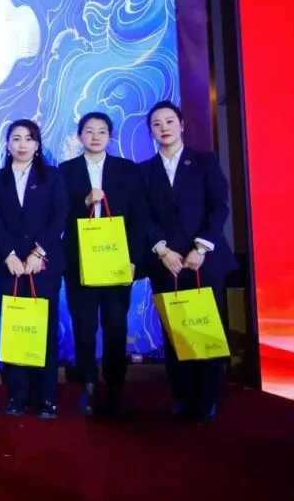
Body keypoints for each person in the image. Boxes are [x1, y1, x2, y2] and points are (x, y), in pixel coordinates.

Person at [140, 101, 236, 421]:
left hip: (203, 260)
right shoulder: (144, 171)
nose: (164, 128)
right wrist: (162, 250)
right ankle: (182, 397)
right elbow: (143, 216)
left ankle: (208, 399)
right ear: (151, 131)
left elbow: (219, 206)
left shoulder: (205, 161)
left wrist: (201, 247)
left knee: (204, 328)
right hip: (166, 261)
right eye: (156, 124)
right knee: (175, 332)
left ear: (181, 125)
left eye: (169, 121)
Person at [60, 112, 146, 416]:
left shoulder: (126, 169)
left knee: (115, 327)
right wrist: (82, 203)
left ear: (110, 136)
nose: (95, 136)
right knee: (84, 328)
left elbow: (139, 218)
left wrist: (133, 260)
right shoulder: (65, 171)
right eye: (89, 131)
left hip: (116, 261)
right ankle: (88, 386)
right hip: (80, 263)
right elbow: (57, 215)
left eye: (101, 131)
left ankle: (115, 388)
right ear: (79, 136)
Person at [0, 120, 68, 418]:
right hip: (9, 266)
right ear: (8, 144)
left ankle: (46, 397)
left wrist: (38, 252)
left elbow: (59, 216)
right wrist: (8, 253)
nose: (22, 144)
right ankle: (17, 396)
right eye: (16, 139)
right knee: (15, 328)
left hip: (43, 264)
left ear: (37, 144)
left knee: (44, 329)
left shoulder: (53, 176)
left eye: (29, 139)